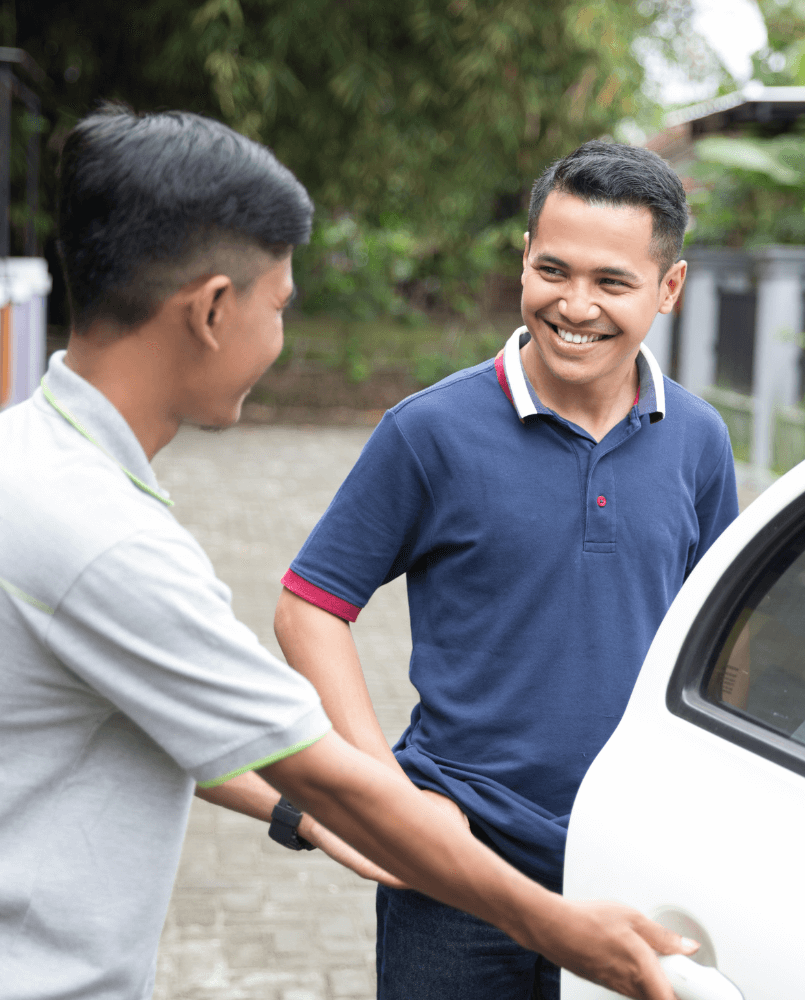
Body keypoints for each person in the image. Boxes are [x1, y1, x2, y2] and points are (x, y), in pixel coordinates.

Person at [0, 107, 700, 1000]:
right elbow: (312, 753)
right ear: (215, 310)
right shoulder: (108, 543)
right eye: (282, 305)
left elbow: (193, 727)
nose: (283, 337)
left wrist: (310, 816)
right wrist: (558, 926)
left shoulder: (31, 464)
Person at [276, 140, 740, 998]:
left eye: (612, 282)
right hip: (455, 868)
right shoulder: (431, 431)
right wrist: (390, 798)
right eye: (553, 269)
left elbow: (722, 635)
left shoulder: (700, 441)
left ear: (667, 289)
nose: (575, 305)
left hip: (629, 863)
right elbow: (309, 606)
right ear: (523, 257)